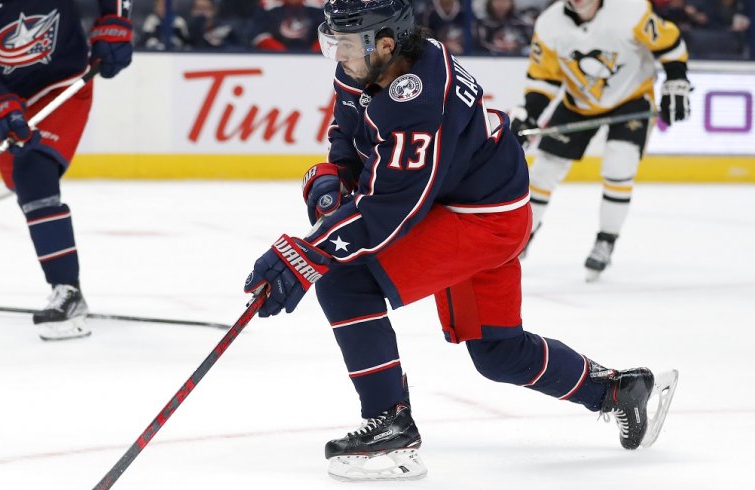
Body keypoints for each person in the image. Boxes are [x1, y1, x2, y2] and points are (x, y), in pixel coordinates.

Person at [242, 0, 678, 481]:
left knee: (344, 281)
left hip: (479, 221)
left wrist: (309, 252)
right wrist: (331, 180)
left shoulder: (418, 101)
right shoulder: (375, 63)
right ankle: (618, 391)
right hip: (476, 204)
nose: (337, 55)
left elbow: (389, 212)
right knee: (498, 352)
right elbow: (349, 133)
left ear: (385, 43)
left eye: (344, 44)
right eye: (334, 42)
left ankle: (390, 424)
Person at [0, 0, 133, 340]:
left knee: (34, 172)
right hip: (8, 94)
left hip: (63, 83)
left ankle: (67, 289)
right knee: (23, 180)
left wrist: (115, 17)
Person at [510, 0, 692, 281]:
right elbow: (544, 79)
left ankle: (606, 240)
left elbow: (670, 44)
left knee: (620, 165)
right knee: (543, 171)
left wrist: (676, 81)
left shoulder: (630, 9)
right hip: (577, 101)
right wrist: (530, 113)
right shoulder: (549, 24)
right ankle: (522, 238)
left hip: (631, 98)